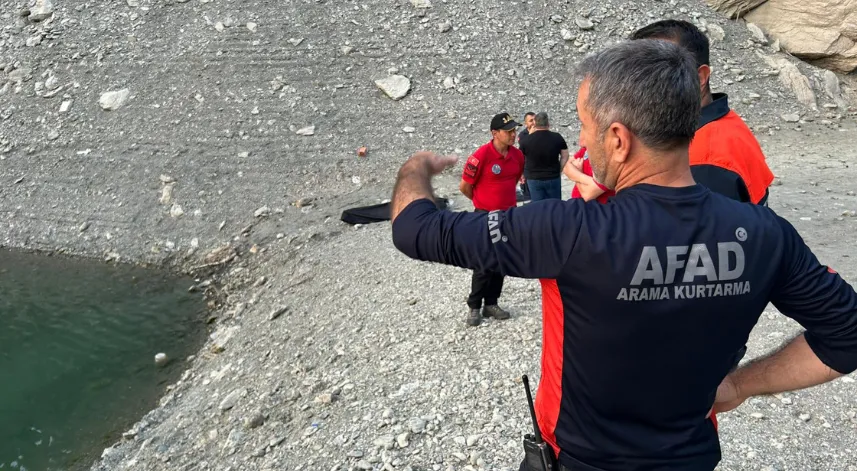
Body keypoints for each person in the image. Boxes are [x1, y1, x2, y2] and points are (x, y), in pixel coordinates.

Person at [390, 40, 857, 470]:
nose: (582, 139)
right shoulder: (764, 233)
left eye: (584, 124)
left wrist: (415, 169)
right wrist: (739, 385)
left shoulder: (567, 230)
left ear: (617, 138)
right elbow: (846, 335)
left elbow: (415, 230)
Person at [457, 112, 525, 327]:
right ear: (494, 133)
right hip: (484, 216)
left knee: (501, 260)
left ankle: (492, 303)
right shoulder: (481, 156)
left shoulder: (517, 156)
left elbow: (513, 179)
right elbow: (465, 187)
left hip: (508, 216)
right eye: (509, 132)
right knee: (483, 262)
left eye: (514, 130)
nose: (513, 135)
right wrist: (481, 204)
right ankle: (474, 306)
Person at [517, 112, 570, 201]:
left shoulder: (526, 140)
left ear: (535, 124)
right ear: (548, 124)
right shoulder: (557, 137)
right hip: (553, 177)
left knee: (538, 207)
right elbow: (565, 155)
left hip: (533, 178)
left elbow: (519, 158)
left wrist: (521, 173)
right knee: (555, 205)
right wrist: (559, 169)